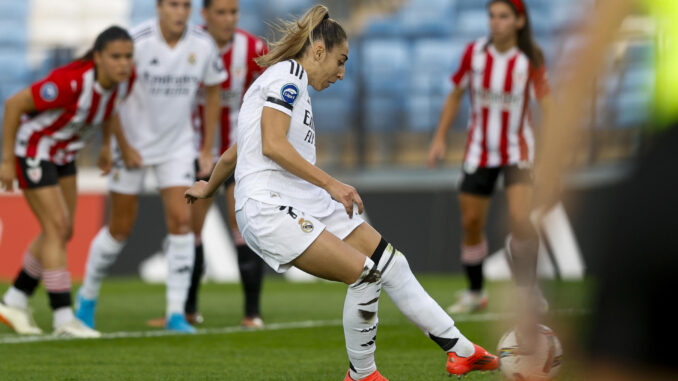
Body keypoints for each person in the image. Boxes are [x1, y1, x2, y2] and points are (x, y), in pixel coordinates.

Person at [184, 5, 499, 380]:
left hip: (301, 199)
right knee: (365, 276)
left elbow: (239, 149)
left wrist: (209, 187)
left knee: (391, 265)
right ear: (319, 50)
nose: (342, 72)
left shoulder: (286, 80)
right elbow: (271, 144)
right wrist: (331, 183)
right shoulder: (288, 77)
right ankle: (362, 374)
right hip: (269, 206)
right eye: (340, 60)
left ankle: (461, 351)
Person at [75, 0, 227, 333]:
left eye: (186, 5)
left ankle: (175, 313)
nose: (180, 12)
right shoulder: (136, 42)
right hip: (131, 146)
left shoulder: (202, 45)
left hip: (176, 146)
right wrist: (122, 145)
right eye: (173, 4)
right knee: (119, 229)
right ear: (159, 7)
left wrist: (205, 148)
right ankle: (86, 299)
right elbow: (110, 92)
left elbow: (214, 92)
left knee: (182, 224)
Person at [0, 26, 135, 338]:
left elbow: (110, 111)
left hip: (63, 155)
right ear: (98, 57)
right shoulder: (70, 82)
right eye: (115, 57)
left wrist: (104, 146)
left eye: (128, 56)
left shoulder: (116, 83)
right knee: (56, 227)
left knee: (62, 229)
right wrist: (6, 161)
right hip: (34, 149)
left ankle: (15, 299)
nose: (123, 63)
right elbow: (13, 105)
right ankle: (63, 319)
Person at [146, 0, 268, 329]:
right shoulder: (191, 47)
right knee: (190, 232)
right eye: (221, 12)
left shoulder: (254, 49)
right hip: (196, 155)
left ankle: (251, 314)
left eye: (234, 12)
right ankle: (186, 311)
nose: (228, 19)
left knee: (243, 229)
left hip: (240, 155)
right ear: (205, 14)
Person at [427, 0, 552, 314]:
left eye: (503, 16)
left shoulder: (530, 58)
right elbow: (455, 94)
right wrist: (439, 139)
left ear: (519, 21)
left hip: (517, 151)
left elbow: (547, 104)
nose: (496, 22)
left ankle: (528, 291)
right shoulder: (475, 53)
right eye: (492, 16)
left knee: (520, 220)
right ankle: (475, 292)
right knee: (471, 222)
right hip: (479, 151)